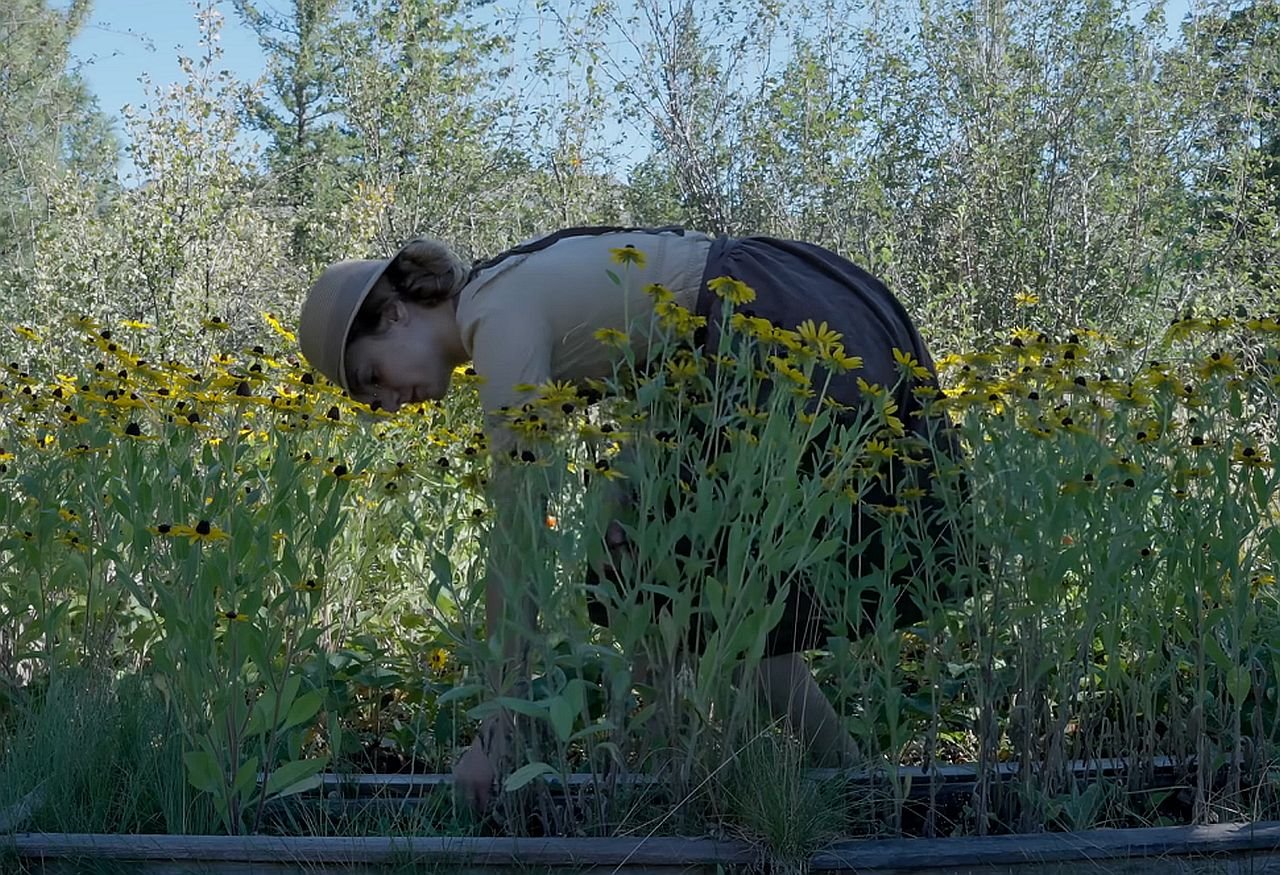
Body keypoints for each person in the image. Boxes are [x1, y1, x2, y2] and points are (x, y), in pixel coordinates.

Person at [298, 226, 968, 812]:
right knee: (670, 579)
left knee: (709, 590)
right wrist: (627, 498)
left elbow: (519, 536)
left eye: (371, 379)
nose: (386, 404)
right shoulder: (502, 291)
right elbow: (654, 354)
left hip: (769, 325)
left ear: (392, 314)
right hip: (747, 328)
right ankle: (829, 783)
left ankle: (755, 791)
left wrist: (495, 726)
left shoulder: (497, 317)